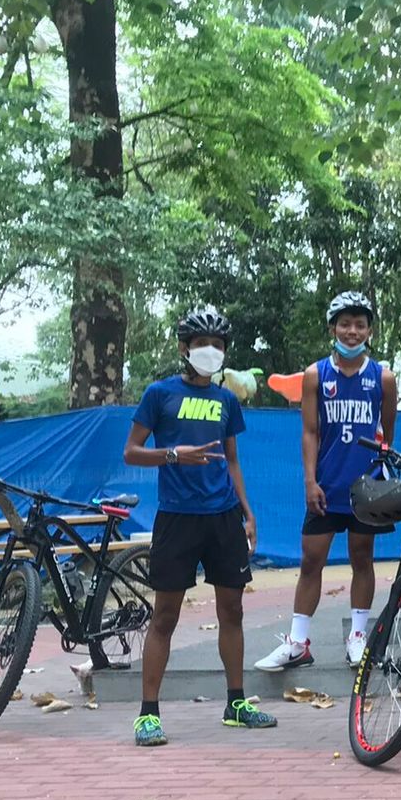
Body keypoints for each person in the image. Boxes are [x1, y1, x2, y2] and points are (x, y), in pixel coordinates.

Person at [121, 306, 272, 746]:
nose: (210, 351)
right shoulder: (159, 394)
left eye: (217, 344)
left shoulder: (227, 400)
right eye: (201, 343)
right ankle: (148, 715)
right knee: (165, 615)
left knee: (233, 611)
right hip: (177, 519)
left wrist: (247, 512)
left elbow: (233, 460)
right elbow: (131, 452)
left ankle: (236, 704)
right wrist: (173, 455)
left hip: (224, 518)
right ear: (184, 348)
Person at [256, 294, 398, 673]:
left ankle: (358, 637)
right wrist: (309, 480)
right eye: (345, 324)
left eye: (360, 325)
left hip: (365, 486)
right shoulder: (316, 375)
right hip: (326, 485)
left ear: (369, 331)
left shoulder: (383, 378)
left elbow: (386, 435)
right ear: (333, 328)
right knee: (311, 560)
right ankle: (298, 642)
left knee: (362, 558)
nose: (352, 331)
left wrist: (378, 477)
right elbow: (310, 431)